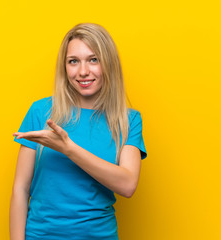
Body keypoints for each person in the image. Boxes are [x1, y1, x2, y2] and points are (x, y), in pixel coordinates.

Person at [10, 23, 147, 240]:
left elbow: (128, 184)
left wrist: (68, 149)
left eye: (94, 60)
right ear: (64, 67)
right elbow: (20, 189)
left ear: (108, 63)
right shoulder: (41, 112)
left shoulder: (128, 120)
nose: (83, 71)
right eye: (73, 61)